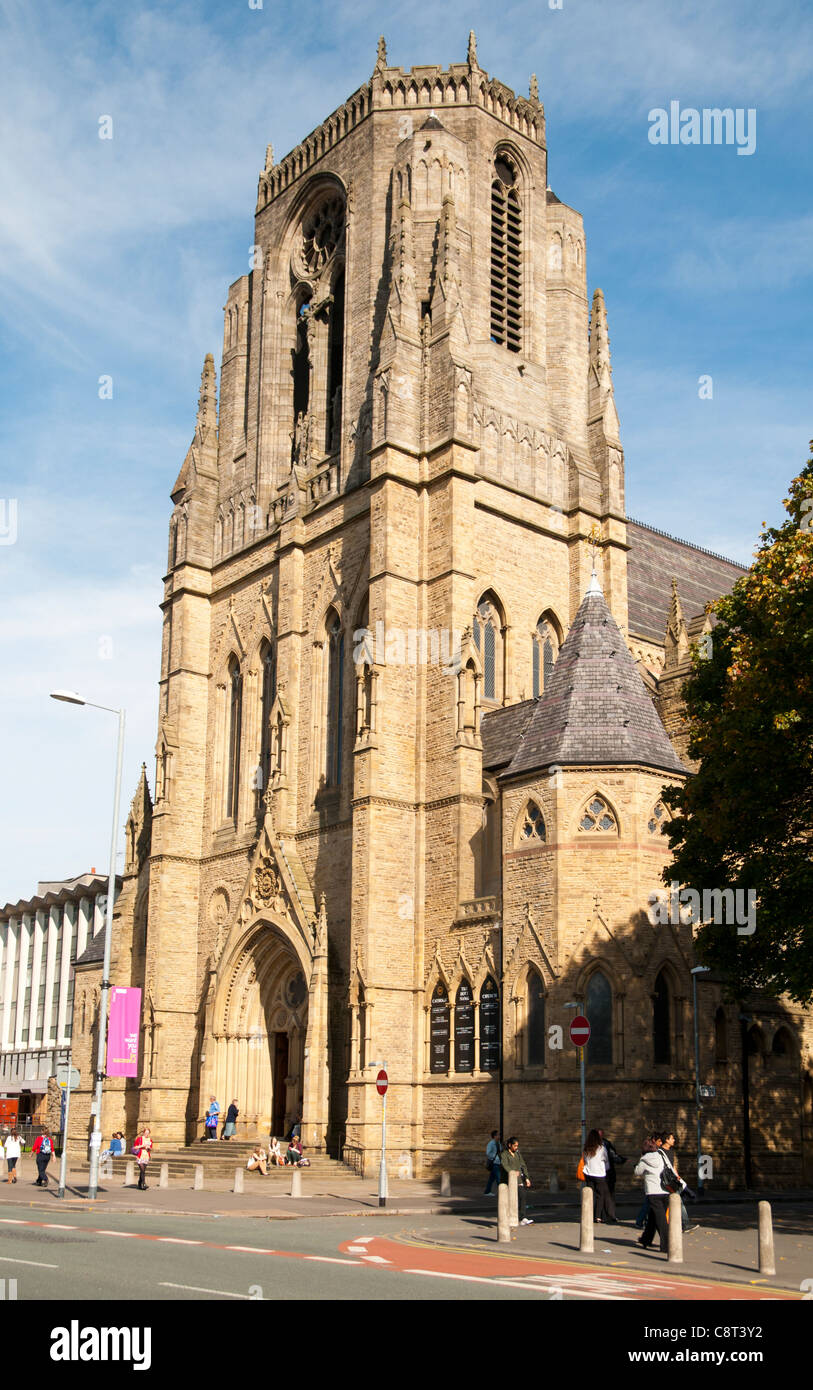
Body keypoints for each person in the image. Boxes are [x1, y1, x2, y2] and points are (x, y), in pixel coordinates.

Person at [634, 1131, 695, 1254]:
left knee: (661, 1220)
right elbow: (672, 1171)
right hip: (665, 1190)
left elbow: (637, 1172)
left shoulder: (645, 1159)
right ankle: (646, 1239)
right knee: (653, 1217)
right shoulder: (662, 1155)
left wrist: (639, 1164)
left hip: (653, 1193)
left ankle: (666, 1245)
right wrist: (684, 1186)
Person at [661, 1131, 698, 1234]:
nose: (674, 1140)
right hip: (665, 1182)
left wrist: (678, 1178)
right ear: (666, 1140)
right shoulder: (660, 1152)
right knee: (677, 1201)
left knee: (674, 1201)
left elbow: (672, 1167)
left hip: (672, 1180)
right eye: (672, 1138)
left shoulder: (671, 1152)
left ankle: (683, 1224)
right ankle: (685, 1224)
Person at [583, 1129, 616, 1224]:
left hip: (589, 1173)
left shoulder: (586, 1148)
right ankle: (597, 1216)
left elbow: (585, 1160)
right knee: (600, 1195)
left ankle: (589, 1214)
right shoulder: (601, 1148)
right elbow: (605, 1160)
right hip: (599, 1174)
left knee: (589, 1195)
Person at [498, 1136, 533, 1225]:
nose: (516, 1147)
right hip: (508, 1180)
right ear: (510, 1145)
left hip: (518, 1180)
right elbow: (505, 1165)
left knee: (522, 1196)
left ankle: (522, 1217)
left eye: (517, 1146)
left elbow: (523, 1165)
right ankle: (508, 1217)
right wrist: (512, 1172)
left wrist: (526, 1177)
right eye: (515, 1146)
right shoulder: (504, 1154)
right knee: (509, 1200)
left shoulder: (517, 1153)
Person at [635, 1133, 662, 1228]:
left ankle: (641, 1221)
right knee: (652, 1206)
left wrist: (640, 1161)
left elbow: (638, 1172)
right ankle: (646, 1222)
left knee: (649, 1205)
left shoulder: (644, 1159)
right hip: (660, 1186)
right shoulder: (660, 1156)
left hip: (651, 1187)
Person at [598, 1129, 626, 1196]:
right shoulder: (603, 1144)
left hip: (606, 1172)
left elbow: (612, 1155)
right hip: (601, 1173)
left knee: (607, 1193)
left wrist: (621, 1160)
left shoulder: (606, 1143)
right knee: (603, 1194)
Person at [484, 1129, 501, 1196]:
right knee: (498, 1178)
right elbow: (488, 1153)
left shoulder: (498, 1143)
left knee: (491, 1179)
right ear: (494, 1136)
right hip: (494, 1163)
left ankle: (487, 1191)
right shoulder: (491, 1143)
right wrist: (494, 1157)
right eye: (498, 1135)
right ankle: (503, 1192)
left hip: (498, 1162)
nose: (499, 1136)